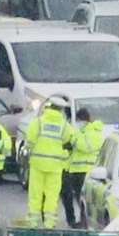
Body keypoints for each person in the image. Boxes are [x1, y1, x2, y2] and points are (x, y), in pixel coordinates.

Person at [24, 95, 76, 228]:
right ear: (61, 110)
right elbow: (69, 141)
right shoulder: (65, 126)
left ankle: (33, 222)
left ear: (49, 107)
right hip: (55, 166)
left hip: (37, 164)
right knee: (52, 195)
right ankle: (49, 223)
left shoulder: (38, 122)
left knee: (35, 194)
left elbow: (29, 140)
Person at [62, 105, 105, 228]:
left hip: (86, 171)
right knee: (76, 197)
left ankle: (83, 221)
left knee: (83, 199)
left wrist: (74, 139)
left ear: (84, 120)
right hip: (76, 170)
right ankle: (78, 221)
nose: (79, 123)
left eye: (79, 121)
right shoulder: (82, 131)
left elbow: (85, 147)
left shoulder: (94, 132)